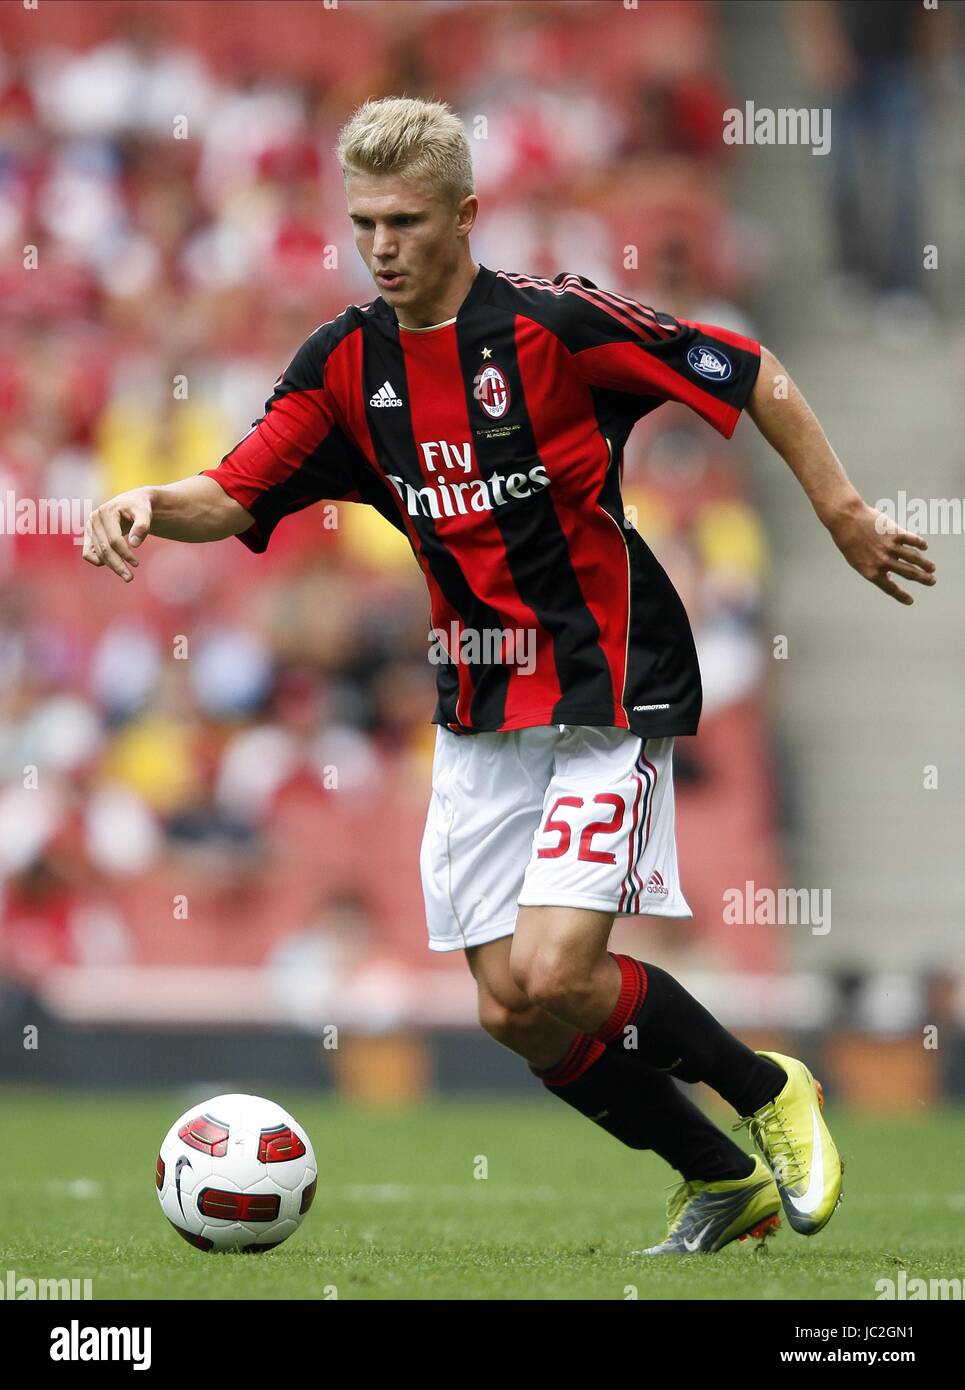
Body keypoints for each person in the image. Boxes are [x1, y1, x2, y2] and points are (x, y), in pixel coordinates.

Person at [83, 97, 935, 1254]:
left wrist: (839, 513)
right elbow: (233, 488)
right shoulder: (344, 365)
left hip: (606, 684)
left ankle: (768, 1087)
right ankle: (716, 1179)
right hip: (479, 704)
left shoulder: (553, 328)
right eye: (363, 222)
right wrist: (146, 503)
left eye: (405, 220)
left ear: (467, 215)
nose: (380, 245)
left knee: (555, 970)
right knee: (509, 1011)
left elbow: (746, 370)